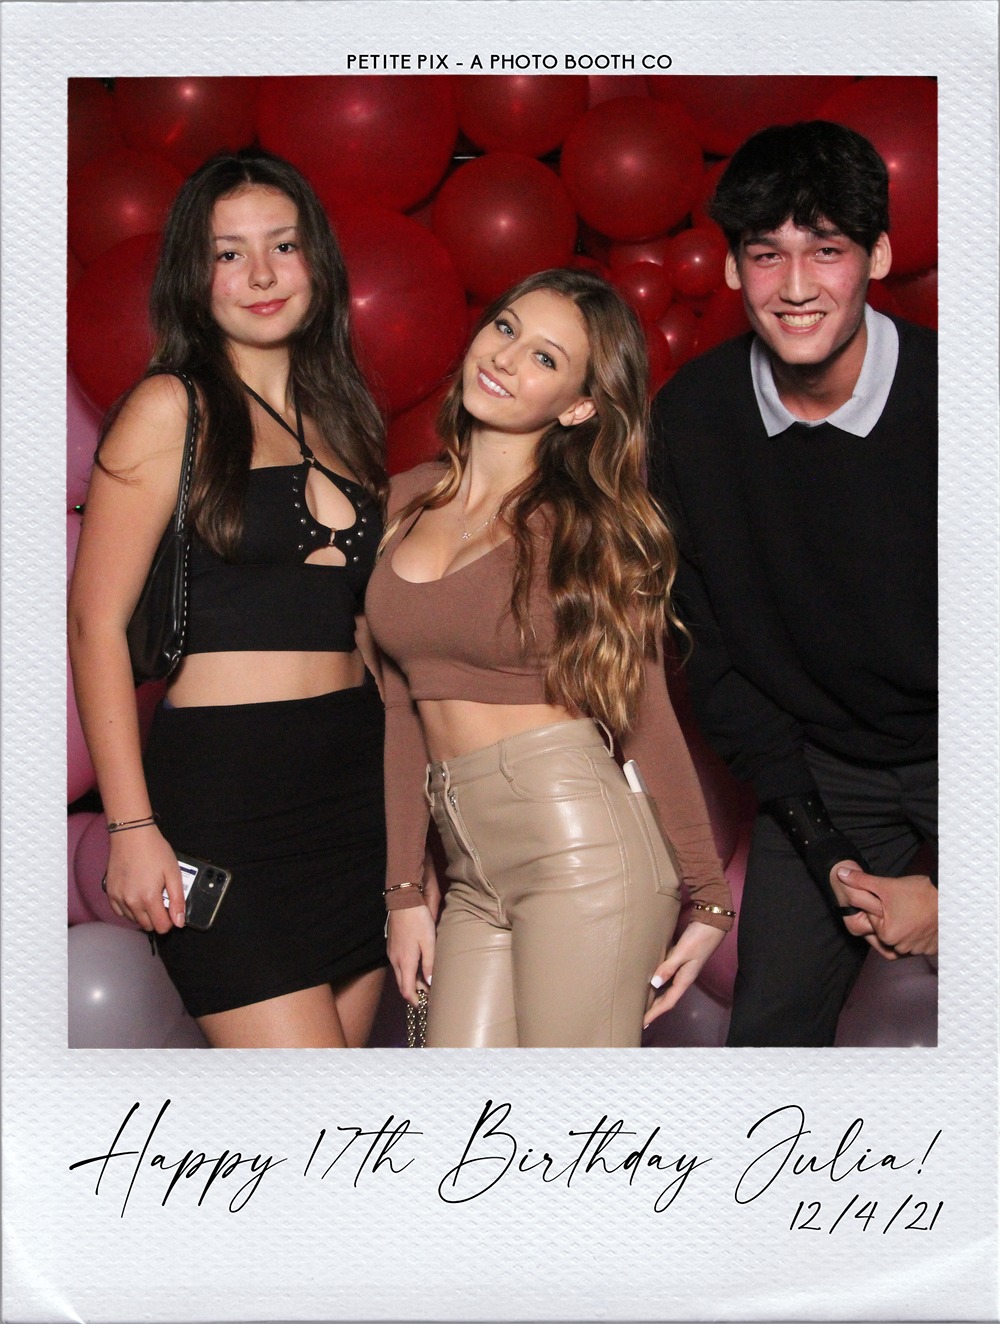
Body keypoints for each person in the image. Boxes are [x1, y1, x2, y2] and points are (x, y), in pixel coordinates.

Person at [68, 148, 390, 1048]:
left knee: (341, 1115)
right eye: (228, 253)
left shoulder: (348, 417)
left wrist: (410, 846)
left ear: (316, 259)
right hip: (228, 801)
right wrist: (132, 825)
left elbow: (369, 630)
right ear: (193, 274)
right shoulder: (171, 408)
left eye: (283, 245)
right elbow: (94, 624)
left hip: (355, 795)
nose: (261, 274)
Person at [365, 268, 735, 1048]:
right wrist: (401, 889)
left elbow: (644, 711)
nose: (505, 357)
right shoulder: (401, 501)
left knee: (568, 1115)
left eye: (544, 357)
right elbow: (401, 709)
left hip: (579, 845)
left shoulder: (589, 527)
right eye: (505, 328)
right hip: (467, 863)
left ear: (577, 406)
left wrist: (708, 897)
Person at [649, 121, 938, 1048]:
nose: (798, 286)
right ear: (733, 269)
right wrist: (824, 847)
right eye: (767, 255)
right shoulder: (691, 419)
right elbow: (710, 653)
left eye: (828, 250)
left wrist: (955, 888)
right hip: (823, 768)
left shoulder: (964, 401)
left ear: (878, 256)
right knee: (768, 1041)